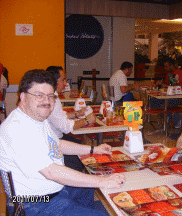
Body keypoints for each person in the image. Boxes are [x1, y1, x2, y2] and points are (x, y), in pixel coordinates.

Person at [0, 69, 125, 216]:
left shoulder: (36, 118)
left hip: (53, 192)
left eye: (50, 96)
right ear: (23, 97)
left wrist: (94, 149)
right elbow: (51, 172)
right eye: (39, 95)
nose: (46, 101)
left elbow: (57, 144)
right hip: (34, 204)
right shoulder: (17, 128)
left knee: (87, 189)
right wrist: (101, 180)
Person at [46, 66, 97, 171]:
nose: (65, 83)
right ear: (54, 81)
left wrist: (77, 114)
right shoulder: (52, 98)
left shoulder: (52, 95)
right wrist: (87, 120)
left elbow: (58, 116)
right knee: (80, 157)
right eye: (63, 80)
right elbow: (66, 127)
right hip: (54, 142)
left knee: (79, 143)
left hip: (54, 137)